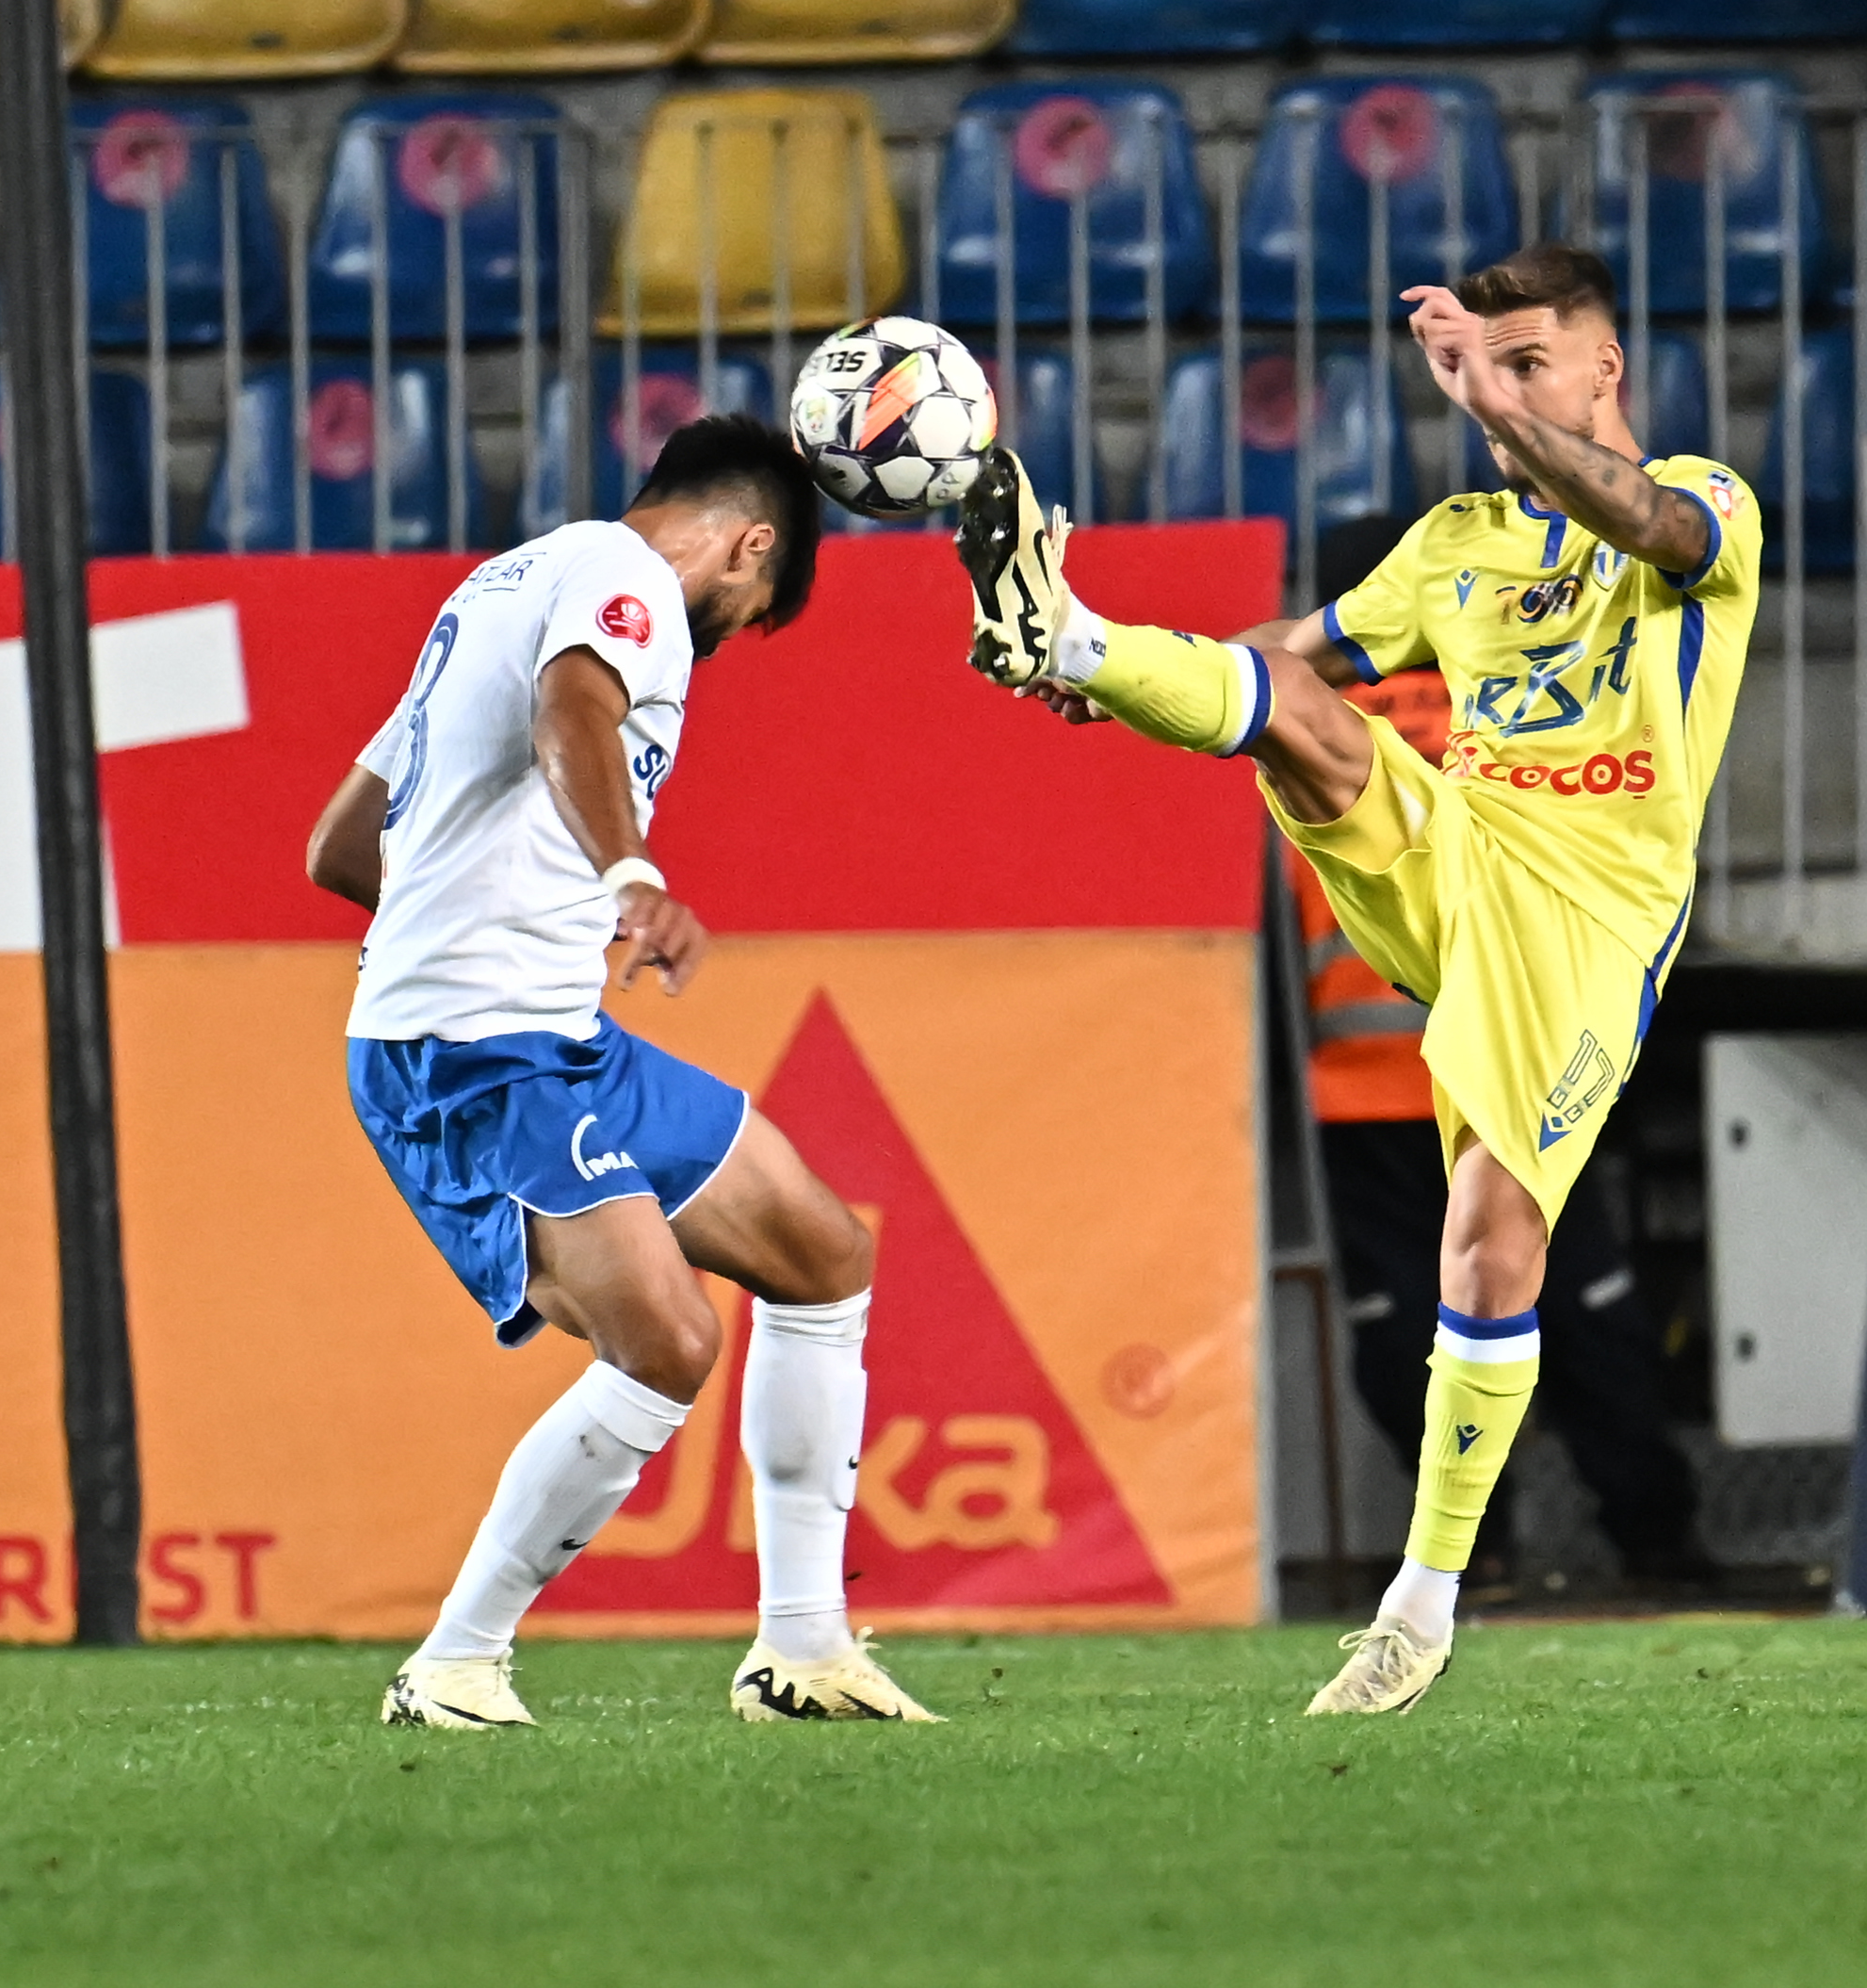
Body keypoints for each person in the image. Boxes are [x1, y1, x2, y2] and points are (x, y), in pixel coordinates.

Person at [957, 242, 1759, 1715]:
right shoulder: (1455, 539)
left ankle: (1420, 1603)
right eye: (1486, 364)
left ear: (1604, 369)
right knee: (1311, 723)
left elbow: (1631, 508)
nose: (1501, 390)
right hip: (1465, 849)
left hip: (1590, 914)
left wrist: (1493, 404)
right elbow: (1288, 653)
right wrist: (1112, 673)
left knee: (1491, 1247)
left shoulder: (1709, 504)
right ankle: (1054, 619)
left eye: (1531, 362)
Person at [305, 414, 936, 1729]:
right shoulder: (628, 582)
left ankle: (803, 1651)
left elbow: (342, 842)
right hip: (472, 1050)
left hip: (549, 1030)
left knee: (823, 1252)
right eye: (754, 602)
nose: (732, 629)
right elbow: (572, 708)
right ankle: (456, 1662)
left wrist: (464, 916)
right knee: (668, 1341)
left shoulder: (501, 582)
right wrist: (630, 875)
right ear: (750, 545)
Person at [1299, 518, 1715, 1602]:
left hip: (1369, 1104)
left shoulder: (1315, 727)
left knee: (1416, 1337)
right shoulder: (1519, 702)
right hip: (1525, 1059)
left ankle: (1473, 1560)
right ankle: (1653, 1546)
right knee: (1583, 1315)